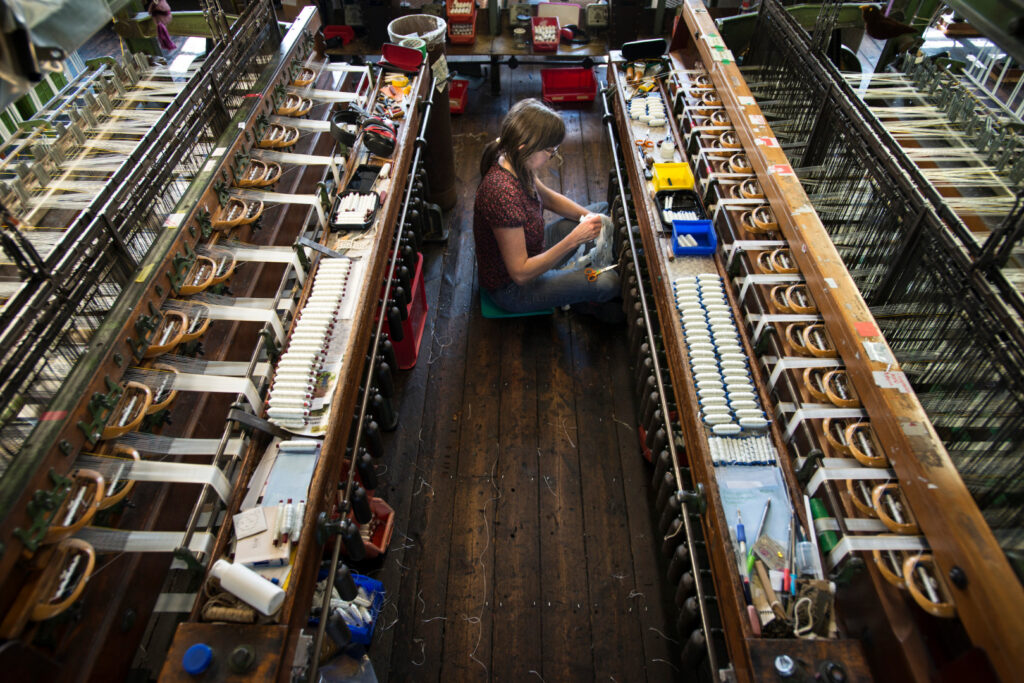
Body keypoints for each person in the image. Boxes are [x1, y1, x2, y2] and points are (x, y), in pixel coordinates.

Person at [473, 98, 623, 322]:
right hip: (512, 288)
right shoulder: (501, 193)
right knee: (609, 283)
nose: (551, 156)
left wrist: (588, 218)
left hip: (532, 247)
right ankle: (583, 296)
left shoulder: (515, 159)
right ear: (525, 147)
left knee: (598, 212)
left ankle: (577, 282)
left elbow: (548, 198)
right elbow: (521, 274)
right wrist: (573, 240)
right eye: (549, 151)